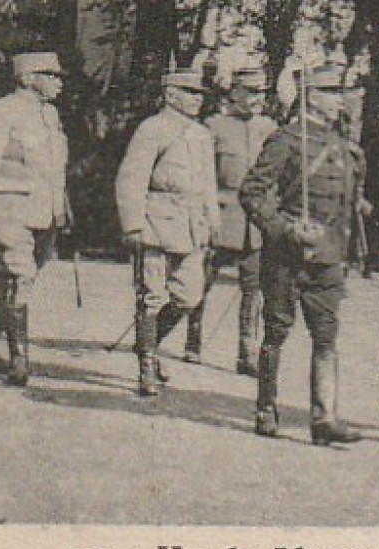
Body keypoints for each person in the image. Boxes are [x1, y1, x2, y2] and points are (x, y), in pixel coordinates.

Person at [240, 63, 365, 445]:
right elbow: (252, 193)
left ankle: (324, 417)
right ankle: (266, 406)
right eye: (331, 91)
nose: (339, 99)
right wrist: (285, 229)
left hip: (327, 258)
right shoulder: (287, 139)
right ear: (312, 95)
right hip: (287, 254)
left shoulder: (343, 145)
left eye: (340, 91)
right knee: (277, 330)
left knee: (326, 336)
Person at [0, 52, 70, 386]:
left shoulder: (50, 115)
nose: (59, 82)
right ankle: (19, 360)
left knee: (13, 281)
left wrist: (62, 204)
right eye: (50, 75)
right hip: (9, 208)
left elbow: (54, 168)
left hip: (43, 213)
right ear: (26, 78)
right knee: (19, 278)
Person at [115, 70, 220, 397]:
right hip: (156, 221)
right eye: (190, 92)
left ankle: (149, 344)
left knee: (189, 295)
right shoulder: (153, 129)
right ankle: (147, 367)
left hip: (191, 226)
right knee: (152, 295)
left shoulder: (202, 134)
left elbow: (207, 184)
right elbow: (131, 178)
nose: (198, 98)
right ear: (170, 94)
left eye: (200, 93)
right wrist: (132, 223)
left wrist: (212, 221)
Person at [195, 67, 276, 373]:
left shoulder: (269, 128)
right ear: (234, 93)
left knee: (253, 290)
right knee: (203, 282)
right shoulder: (214, 127)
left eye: (261, 93)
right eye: (251, 92)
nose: (257, 99)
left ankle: (247, 353)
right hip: (222, 215)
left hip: (254, 223)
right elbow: (203, 173)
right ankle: (193, 340)